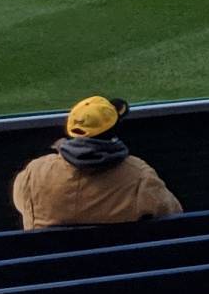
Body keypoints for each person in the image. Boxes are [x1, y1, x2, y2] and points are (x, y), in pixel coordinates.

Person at [10, 96, 183, 231]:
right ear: (113, 130)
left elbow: (22, 204)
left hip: (49, 272)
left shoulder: (35, 173)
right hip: (120, 270)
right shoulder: (139, 176)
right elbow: (172, 215)